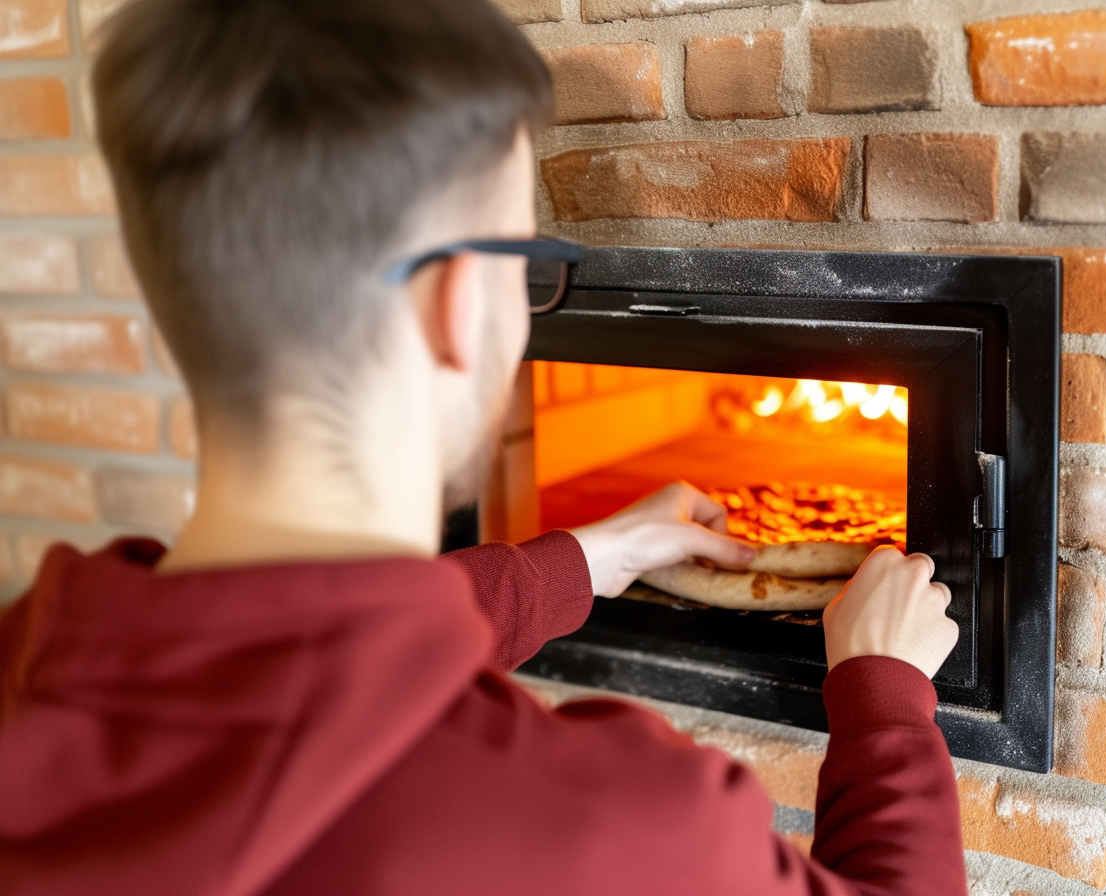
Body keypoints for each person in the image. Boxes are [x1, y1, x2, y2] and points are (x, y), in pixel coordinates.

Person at [0, 1, 966, 894]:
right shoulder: (623, 832)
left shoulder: (28, 660)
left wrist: (588, 558)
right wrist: (884, 698)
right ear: (459, 305)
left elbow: (293, 671)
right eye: (525, 261)